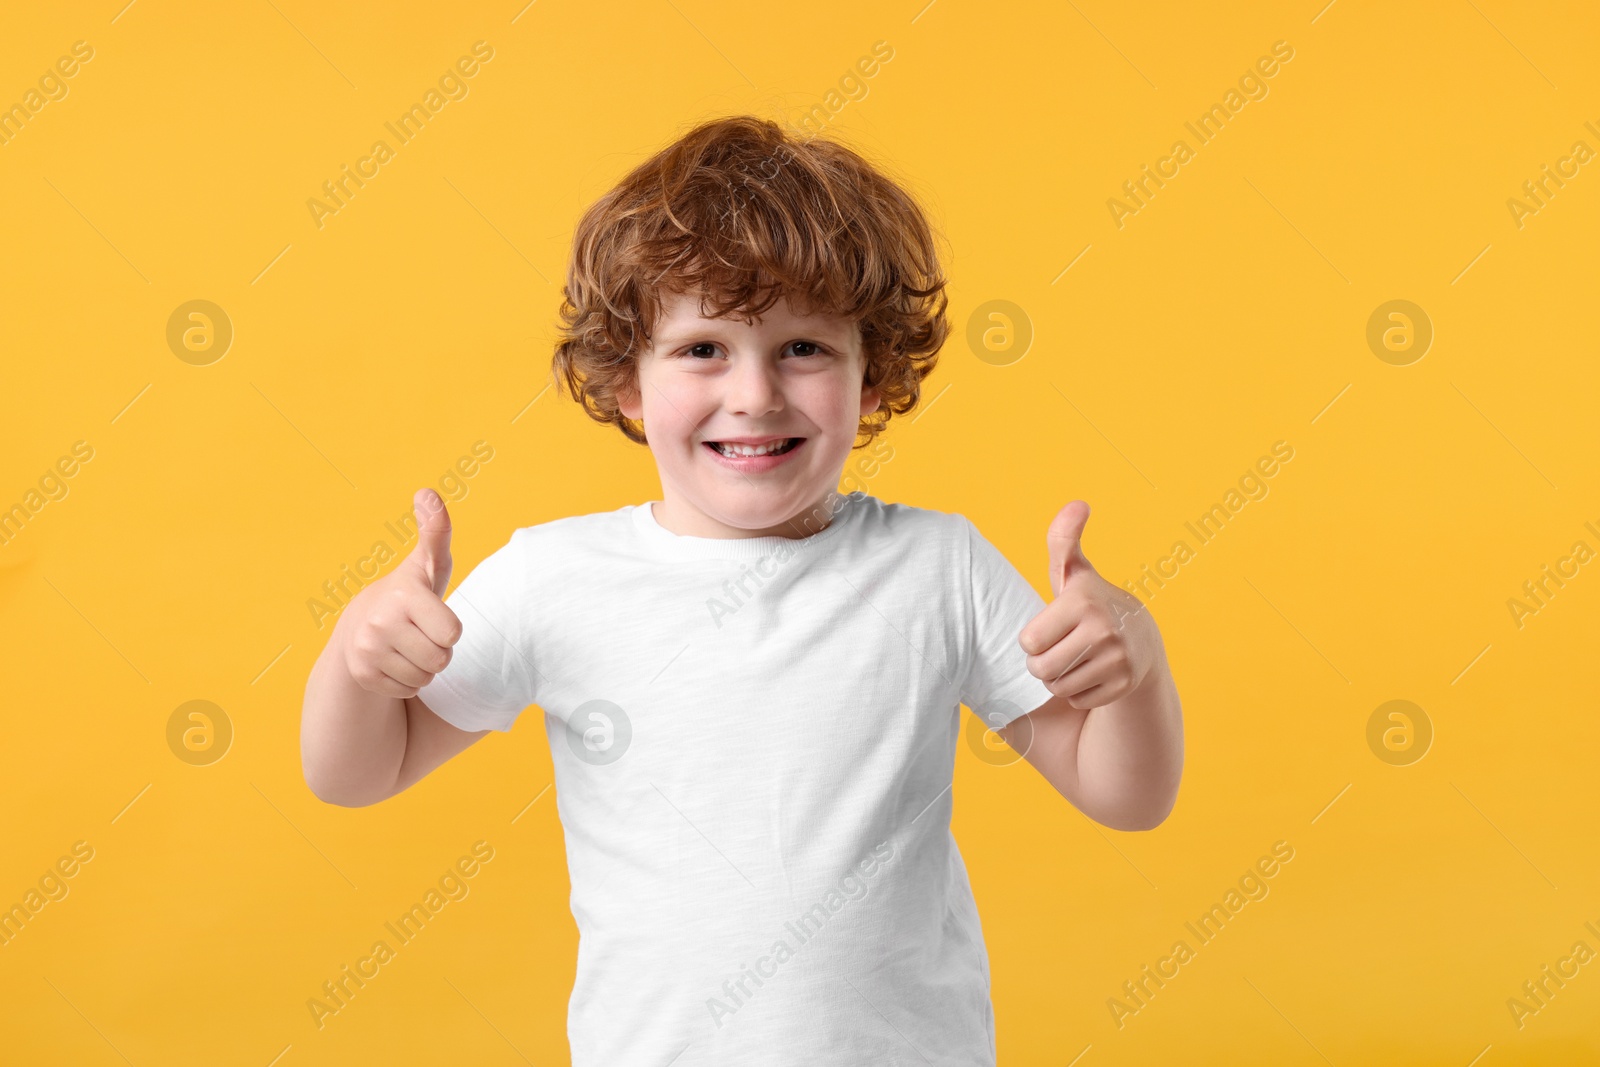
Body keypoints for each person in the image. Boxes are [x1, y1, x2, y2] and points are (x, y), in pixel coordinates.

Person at [299, 113, 1183, 1066]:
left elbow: (1126, 795)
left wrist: (1132, 664)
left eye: (804, 349)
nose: (755, 393)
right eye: (701, 349)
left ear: (873, 376)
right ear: (626, 381)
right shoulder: (554, 577)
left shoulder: (940, 569)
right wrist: (359, 662)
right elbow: (355, 772)